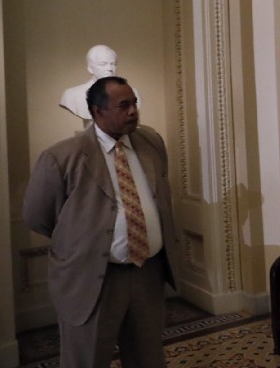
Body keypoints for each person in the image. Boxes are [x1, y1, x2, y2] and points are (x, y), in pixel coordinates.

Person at [24, 76, 177, 368]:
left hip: (147, 272)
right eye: (124, 105)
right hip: (92, 279)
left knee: (148, 357)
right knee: (87, 359)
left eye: (134, 103)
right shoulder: (61, 156)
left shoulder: (151, 142)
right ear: (98, 111)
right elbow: (38, 217)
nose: (133, 111)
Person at [60, 45, 141, 120]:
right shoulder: (71, 95)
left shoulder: (133, 93)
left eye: (112, 64)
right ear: (90, 69)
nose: (109, 68)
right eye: (103, 64)